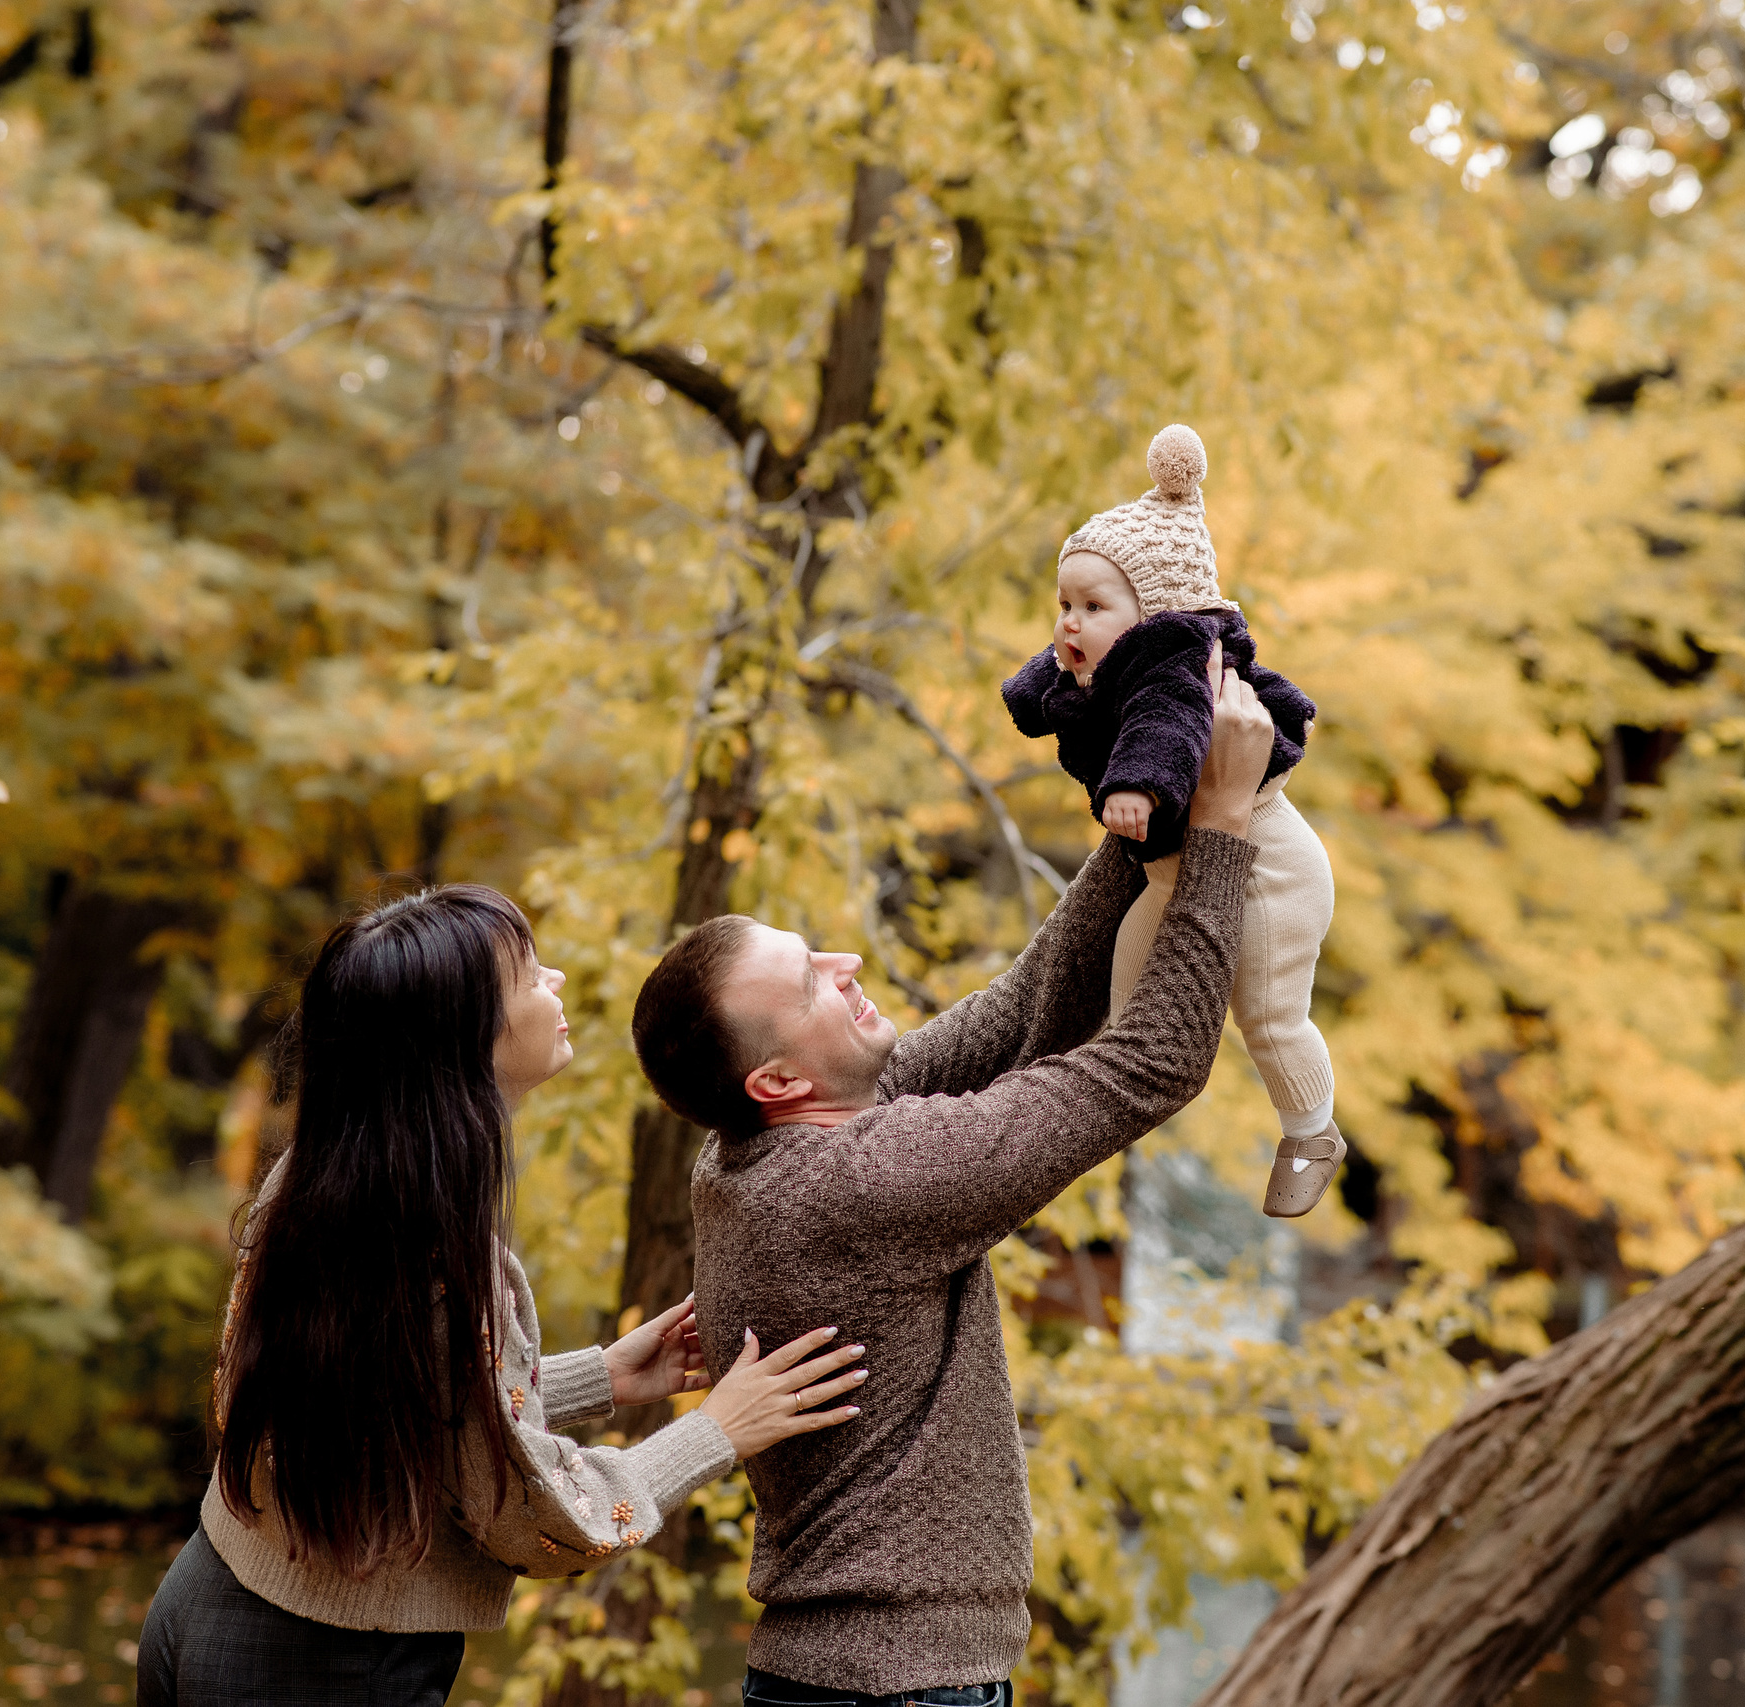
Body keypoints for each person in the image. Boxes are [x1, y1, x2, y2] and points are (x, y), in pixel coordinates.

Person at [631, 659, 1281, 1707]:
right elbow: (1149, 1063)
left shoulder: (750, 1148)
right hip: (899, 1692)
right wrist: (1220, 832)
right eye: (810, 981)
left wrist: (1144, 813)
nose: (844, 961)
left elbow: (1027, 1013)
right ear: (779, 1079)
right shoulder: (861, 1185)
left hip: (851, 1680)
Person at [137, 885, 866, 1707]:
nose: (553, 978)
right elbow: (536, 1518)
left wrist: (604, 1377)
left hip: (205, 1603)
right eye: (527, 976)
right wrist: (715, 1432)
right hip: (318, 1666)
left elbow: (399, 1409)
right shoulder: (439, 1252)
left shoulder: (321, 1180)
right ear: (463, 1038)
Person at [1000, 422, 1343, 1217]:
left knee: (1268, 1013)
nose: (1068, 624)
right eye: (1064, 604)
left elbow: (1171, 725)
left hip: (1271, 874)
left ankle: (1312, 1130)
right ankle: (1112, 1091)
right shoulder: (1097, 657)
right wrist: (1028, 692)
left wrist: (1138, 788)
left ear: (1153, 614)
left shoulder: (1174, 667)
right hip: (1177, 872)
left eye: (1092, 605)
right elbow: (1042, 684)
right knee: (1132, 982)